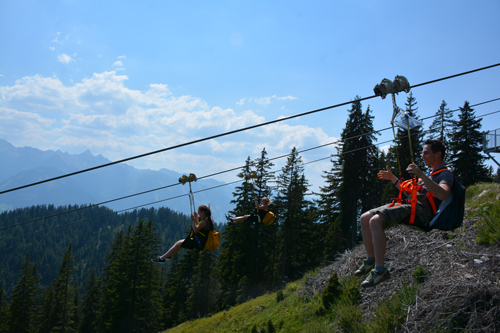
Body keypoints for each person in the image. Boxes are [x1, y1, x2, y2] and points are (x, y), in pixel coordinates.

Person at [355, 139, 453, 287]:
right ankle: (370, 260)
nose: (423, 156)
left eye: (426, 153)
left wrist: (422, 175)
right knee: (364, 218)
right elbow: (410, 191)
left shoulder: (445, 175)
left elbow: (443, 194)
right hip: (410, 205)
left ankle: (380, 270)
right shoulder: (428, 173)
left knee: (375, 221)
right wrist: (392, 178)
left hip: (421, 213)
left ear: (438, 154)